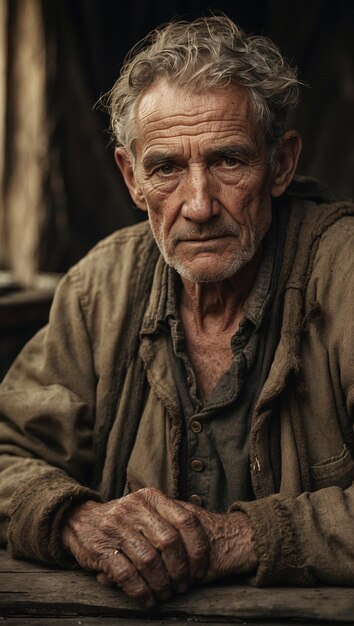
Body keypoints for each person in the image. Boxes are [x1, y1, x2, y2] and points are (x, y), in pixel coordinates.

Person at [1, 14, 354, 609]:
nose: (198, 205)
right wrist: (78, 522)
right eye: (166, 167)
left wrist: (237, 538)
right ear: (132, 177)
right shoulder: (101, 287)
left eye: (228, 161)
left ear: (281, 165)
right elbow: (10, 452)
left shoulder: (342, 272)